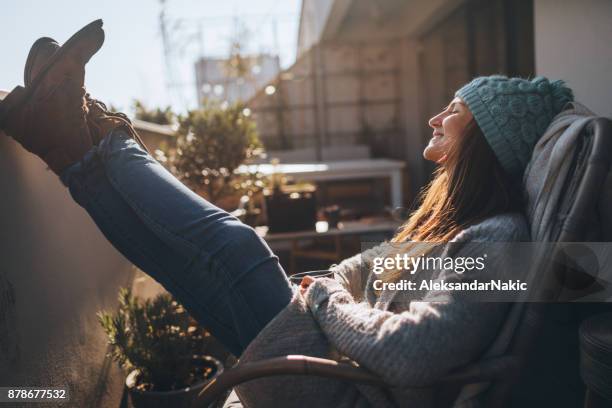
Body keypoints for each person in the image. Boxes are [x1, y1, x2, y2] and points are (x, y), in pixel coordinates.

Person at [0, 21, 574, 407]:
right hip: (327, 364)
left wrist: (325, 298)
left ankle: (96, 129)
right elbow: (370, 265)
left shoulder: (501, 242)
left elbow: (411, 351)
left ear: (486, 139)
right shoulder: (459, 229)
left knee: (241, 246)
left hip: (338, 391)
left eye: (453, 110)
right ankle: (64, 145)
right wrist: (333, 283)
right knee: (177, 265)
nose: (434, 118)